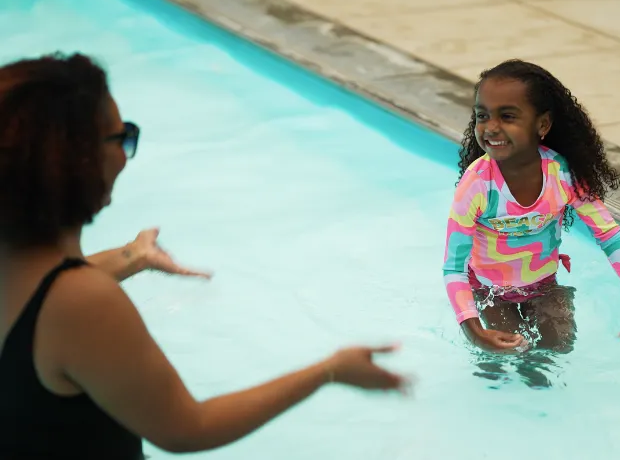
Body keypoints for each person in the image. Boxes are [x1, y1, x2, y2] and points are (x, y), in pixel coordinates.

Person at [0, 52, 406, 459]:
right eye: (121, 137)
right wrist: (328, 371)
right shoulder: (82, 303)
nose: (126, 153)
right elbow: (188, 429)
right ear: (75, 159)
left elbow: (38, 297)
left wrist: (132, 256)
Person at [442, 59, 620, 354]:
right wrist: (473, 330)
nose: (491, 127)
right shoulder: (477, 185)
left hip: (544, 284)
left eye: (508, 116)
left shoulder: (561, 173)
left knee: (558, 350)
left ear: (542, 124)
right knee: (508, 356)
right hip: (490, 292)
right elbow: (453, 267)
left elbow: (606, 232)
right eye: (482, 115)